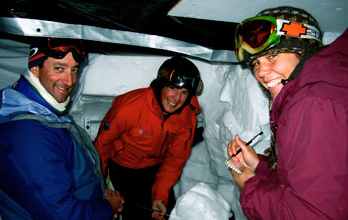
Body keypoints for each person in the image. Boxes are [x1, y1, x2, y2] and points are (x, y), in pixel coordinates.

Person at [227, 6, 348, 219]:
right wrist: (260, 165)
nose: (261, 73)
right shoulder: (314, 94)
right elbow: (307, 183)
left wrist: (249, 184)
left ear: (303, 49)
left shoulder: (315, 103)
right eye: (256, 62)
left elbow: (314, 214)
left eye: (272, 55)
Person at [0, 37, 124, 219]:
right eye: (59, 68)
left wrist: (98, 195)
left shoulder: (41, 110)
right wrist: (106, 208)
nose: (70, 80)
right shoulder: (29, 135)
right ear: (35, 67)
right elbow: (62, 214)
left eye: (74, 70)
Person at [94, 56, 203, 219]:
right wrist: (100, 187)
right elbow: (101, 146)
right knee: (136, 214)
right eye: (172, 88)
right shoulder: (129, 106)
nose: (176, 98)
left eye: (184, 92)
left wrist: (160, 196)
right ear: (161, 85)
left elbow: (175, 160)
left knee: (165, 213)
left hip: (155, 168)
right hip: (124, 166)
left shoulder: (187, 118)